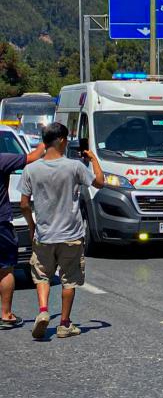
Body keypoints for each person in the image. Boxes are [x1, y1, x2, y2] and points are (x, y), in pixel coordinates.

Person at [19, 122, 104, 339]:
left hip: (44, 234)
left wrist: (31, 225)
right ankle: (65, 324)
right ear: (63, 141)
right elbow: (100, 183)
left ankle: (44, 311)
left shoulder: (31, 169)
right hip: (71, 235)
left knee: (42, 275)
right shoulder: (74, 167)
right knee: (69, 279)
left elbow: (24, 204)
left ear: (45, 142)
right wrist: (93, 159)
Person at [0, 141, 46, 330]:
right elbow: (33, 157)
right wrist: (44, 143)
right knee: (5, 269)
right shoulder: (3, 159)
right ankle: (5, 314)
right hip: (1, 224)